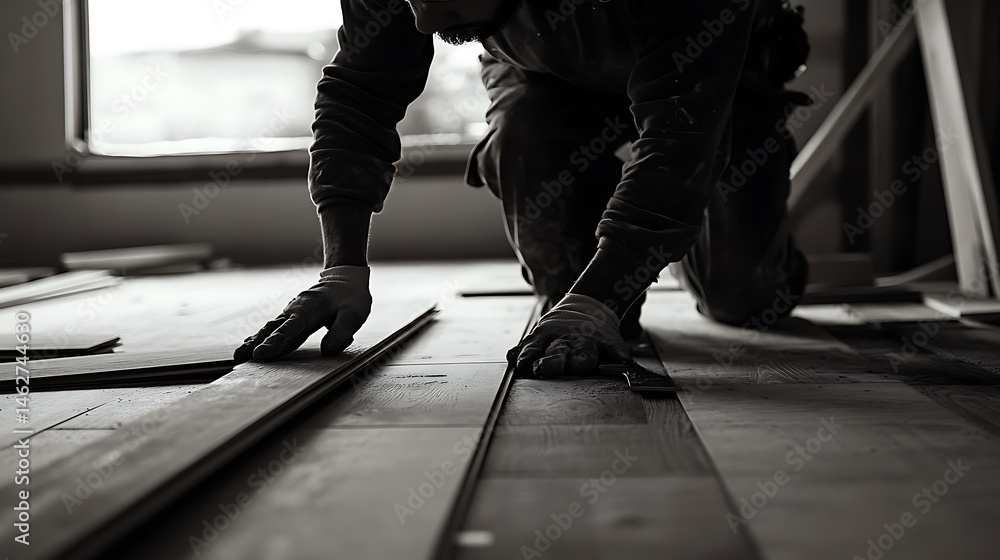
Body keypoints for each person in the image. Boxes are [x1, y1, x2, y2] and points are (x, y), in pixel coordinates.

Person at [234, 0, 812, 379]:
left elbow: (678, 140)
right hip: (547, 72)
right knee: (575, 313)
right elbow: (360, 98)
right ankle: (600, 281)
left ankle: (721, 226)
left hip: (717, 75)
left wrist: (600, 296)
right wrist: (342, 270)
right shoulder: (423, 5)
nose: (423, 24)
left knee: (745, 299)